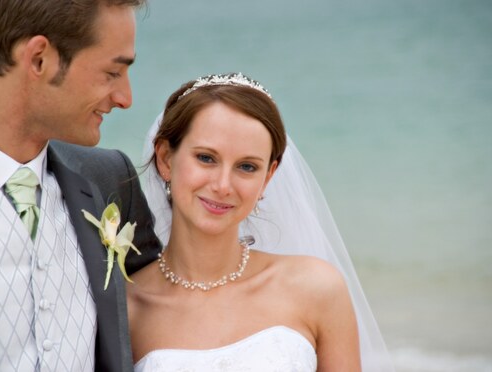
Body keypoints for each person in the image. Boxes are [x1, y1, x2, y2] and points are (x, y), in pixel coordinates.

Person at [0, 0, 161, 371]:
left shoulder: (110, 180)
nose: (125, 98)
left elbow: (168, 300)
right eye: (111, 72)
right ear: (39, 58)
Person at [127, 73, 395, 371]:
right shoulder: (127, 308)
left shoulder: (317, 288)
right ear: (165, 158)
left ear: (268, 176)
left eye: (246, 166)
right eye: (206, 158)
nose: (223, 185)